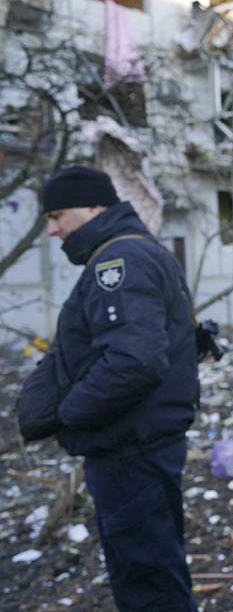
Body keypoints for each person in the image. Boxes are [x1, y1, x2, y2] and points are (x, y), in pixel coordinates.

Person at [20, 166, 199, 611]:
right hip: (138, 446)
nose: (53, 229)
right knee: (152, 569)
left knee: (146, 581)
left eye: (59, 214)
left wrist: (68, 415)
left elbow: (133, 361)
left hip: (129, 450)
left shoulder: (120, 262)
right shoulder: (134, 252)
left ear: (95, 207)